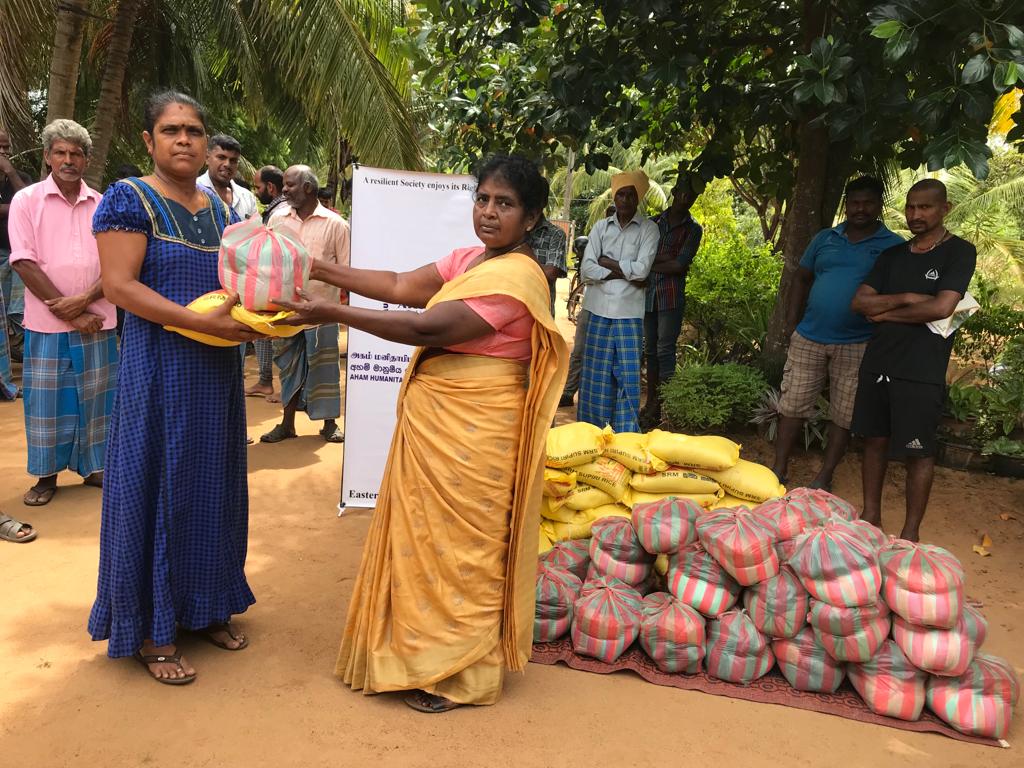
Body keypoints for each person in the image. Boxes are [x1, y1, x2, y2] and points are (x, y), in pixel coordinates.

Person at [274, 153, 568, 712]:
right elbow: (401, 284)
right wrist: (322, 270)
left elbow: (428, 325)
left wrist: (332, 314)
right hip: (436, 420)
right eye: (482, 198)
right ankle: (413, 656)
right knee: (424, 543)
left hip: (480, 429)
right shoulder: (472, 259)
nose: (488, 211)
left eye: (504, 204)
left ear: (531, 219)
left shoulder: (518, 277)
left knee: (465, 550)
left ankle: (460, 674)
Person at [88, 90, 262, 684]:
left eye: (193, 130)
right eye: (170, 130)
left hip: (216, 377)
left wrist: (260, 319)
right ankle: (152, 630)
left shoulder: (223, 213)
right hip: (157, 373)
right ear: (149, 140)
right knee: (158, 486)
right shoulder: (127, 198)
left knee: (212, 485)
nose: (184, 140)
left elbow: (241, 286)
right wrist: (198, 322)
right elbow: (118, 286)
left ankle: (207, 604)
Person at [850, 179, 976, 542]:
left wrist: (886, 312)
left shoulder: (959, 252)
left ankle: (910, 533)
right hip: (878, 362)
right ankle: (869, 516)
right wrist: (907, 296)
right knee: (873, 440)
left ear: (944, 209)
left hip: (921, 369)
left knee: (918, 452)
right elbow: (859, 303)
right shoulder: (892, 255)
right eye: (911, 207)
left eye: (925, 207)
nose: (916, 215)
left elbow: (942, 307)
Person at [8, 119, 117, 507]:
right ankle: (46, 476)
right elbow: (23, 262)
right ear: (47, 157)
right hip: (48, 324)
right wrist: (72, 313)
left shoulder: (103, 204)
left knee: (98, 397)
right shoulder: (27, 201)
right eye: (61, 152)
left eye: (76, 153)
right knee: (47, 403)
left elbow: (118, 264)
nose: (68, 160)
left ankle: (95, 468)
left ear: (86, 160)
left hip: (99, 319)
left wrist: (86, 300)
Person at [771, 176, 904, 490]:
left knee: (844, 415)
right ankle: (777, 469)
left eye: (868, 203)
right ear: (847, 204)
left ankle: (825, 475)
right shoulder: (825, 238)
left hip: (858, 343)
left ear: (879, 205)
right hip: (809, 337)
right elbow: (801, 278)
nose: (860, 209)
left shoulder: (893, 246)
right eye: (855, 202)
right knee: (792, 406)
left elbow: (899, 293)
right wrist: (792, 322)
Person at [261, 165, 348, 444]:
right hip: (285, 311)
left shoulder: (336, 224)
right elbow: (267, 261)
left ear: (308, 188)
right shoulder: (277, 219)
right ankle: (287, 424)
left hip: (322, 312)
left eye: (289, 185)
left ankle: (329, 424)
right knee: (288, 367)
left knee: (325, 367)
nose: (283, 190)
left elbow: (347, 270)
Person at [577, 171, 658, 432]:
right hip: (597, 309)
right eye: (620, 194)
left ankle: (624, 435)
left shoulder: (649, 229)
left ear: (638, 199)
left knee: (627, 375)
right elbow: (587, 270)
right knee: (595, 376)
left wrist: (607, 263)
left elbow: (643, 271)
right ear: (615, 197)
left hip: (629, 313)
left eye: (630, 194)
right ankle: (591, 431)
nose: (624, 199)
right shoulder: (600, 227)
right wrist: (626, 272)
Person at [640, 178, 703, 429]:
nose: (687, 199)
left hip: (671, 297)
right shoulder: (653, 223)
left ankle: (660, 407)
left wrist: (652, 262)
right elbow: (641, 258)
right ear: (675, 192)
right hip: (648, 296)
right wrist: (662, 260)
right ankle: (651, 403)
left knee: (666, 351)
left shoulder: (693, 229)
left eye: (693, 196)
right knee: (650, 351)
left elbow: (680, 264)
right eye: (684, 194)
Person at [1, 129, 29, 368]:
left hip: (18, 254)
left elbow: (29, 204)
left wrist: (10, 172)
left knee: (20, 312)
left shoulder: (19, 176)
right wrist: (13, 207)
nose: (3, 153)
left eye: (6, 148)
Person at [196, 133, 258, 220]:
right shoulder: (192, 191)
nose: (227, 164)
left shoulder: (247, 198)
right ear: (207, 158)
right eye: (221, 157)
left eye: (233, 160)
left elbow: (256, 231)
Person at [526, 190, 568, 315]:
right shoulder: (513, 230)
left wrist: (516, 265)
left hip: (541, 311)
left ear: (543, 202)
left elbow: (551, 273)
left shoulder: (556, 234)